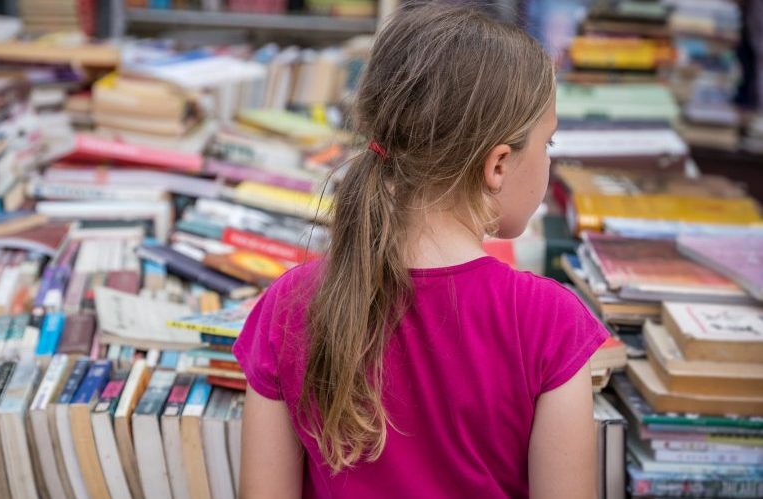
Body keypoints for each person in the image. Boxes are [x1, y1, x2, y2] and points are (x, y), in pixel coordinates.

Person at [233, 2, 608, 498]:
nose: (549, 161)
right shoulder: (548, 320)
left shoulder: (289, 305)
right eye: (549, 144)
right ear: (498, 164)